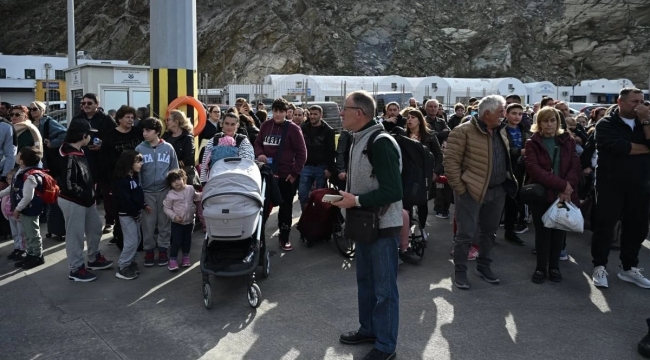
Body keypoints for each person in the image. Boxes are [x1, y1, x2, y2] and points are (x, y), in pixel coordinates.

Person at [333, 90, 402, 360]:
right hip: (364, 224)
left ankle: (386, 346)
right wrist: (347, 199)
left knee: (384, 289)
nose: (341, 112)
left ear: (359, 113)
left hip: (382, 227)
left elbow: (393, 191)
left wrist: (357, 200)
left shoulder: (381, 142)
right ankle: (369, 329)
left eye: (345, 108)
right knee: (367, 282)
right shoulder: (357, 139)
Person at [444, 95, 518, 289]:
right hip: (471, 192)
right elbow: (450, 164)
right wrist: (461, 190)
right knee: (465, 235)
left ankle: (483, 266)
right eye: (501, 111)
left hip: (497, 191)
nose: (504, 115)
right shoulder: (462, 131)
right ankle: (460, 272)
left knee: (489, 233)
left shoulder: (501, 131)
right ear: (487, 114)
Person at [591, 88, 650, 289]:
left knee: (638, 227)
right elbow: (618, 147)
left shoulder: (644, 123)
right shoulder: (606, 123)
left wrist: (645, 122)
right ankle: (599, 266)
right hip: (611, 184)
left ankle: (629, 268)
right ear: (620, 102)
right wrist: (644, 148)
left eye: (642, 101)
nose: (639, 105)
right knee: (605, 227)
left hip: (640, 185)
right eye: (635, 101)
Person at [524, 107, 581, 283]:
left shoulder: (567, 140)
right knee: (543, 232)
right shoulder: (532, 143)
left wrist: (566, 188)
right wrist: (563, 185)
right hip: (543, 194)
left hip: (564, 193)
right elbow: (535, 170)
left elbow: (575, 165)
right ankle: (541, 267)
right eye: (545, 120)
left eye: (553, 120)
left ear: (558, 122)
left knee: (559, 232)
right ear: (539, 123)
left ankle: (554, 266)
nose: (549, 124)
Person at [59, 119, 114, 282]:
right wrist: (86, 195)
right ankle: (76, 269)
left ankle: (93, 258)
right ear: (83, 136)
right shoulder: (69, 154)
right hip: (74, 201)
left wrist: (90, 196)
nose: (91, 137)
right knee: (75, 236)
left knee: (96, 227)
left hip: (85, 200)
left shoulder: (75, 151)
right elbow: (69, 184)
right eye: (89, 134)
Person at [254, 98, 306, 252]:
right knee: (262, 207)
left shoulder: (293, 129)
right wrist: (260, 153)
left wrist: (294, 173)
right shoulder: (265, 125)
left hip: (286, 176)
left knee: (285, 209)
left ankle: (284, 237)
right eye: (275, 111)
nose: (277, 114)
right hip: (267, 175)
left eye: (281, 111)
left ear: (286, 112)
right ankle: (258, 238)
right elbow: (257, 143)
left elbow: (302, 153)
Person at [136, 118, 179, 267]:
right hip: (147, 192)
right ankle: (148, 250)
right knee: (147, 223)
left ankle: (162, 249)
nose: (144, 133)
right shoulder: (140, 149)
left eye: (148, 130)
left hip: (164, 191)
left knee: (164, 222)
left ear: (157, 132)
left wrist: (174, 190)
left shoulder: (168, 148)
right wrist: (139, 191)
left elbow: (174, 169)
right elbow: (137, 172)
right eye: (143, 130)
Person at [74, 93, 118, 234]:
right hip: (84, 161)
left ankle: (110, 221)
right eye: (83, 103)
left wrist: (103, 146)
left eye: (89, 103)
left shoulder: (106, 119)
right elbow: (70, 137)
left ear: (96, 105)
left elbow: (115, 138)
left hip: (103, 161)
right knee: (86, 193)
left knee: (107, 194)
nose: (86, 106)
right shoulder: (78, 119)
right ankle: (87, 222)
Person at [101, 105, 144, 245]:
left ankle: (138, 236)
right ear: (119, 119)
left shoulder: (138, 133)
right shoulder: (110, 135)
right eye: (127, 117)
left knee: (136, 203)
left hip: (136, 176)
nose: (131, 120)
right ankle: (119, 235)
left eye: (133, 117)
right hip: (117, 177)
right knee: (119, 207)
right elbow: (104, 158)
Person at [0, 148, 45, 269]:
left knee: (33, 233)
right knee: (27, 233)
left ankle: (37, 256)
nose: (16, 155)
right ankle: (30, 254)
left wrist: (17, 209)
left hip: (30, 209)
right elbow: (11, 189)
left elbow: (27, 197)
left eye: (18, 154)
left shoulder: (29, 176)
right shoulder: (20, 171)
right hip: (24, 209)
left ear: (22, 160)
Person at [112, 150, 145, 280]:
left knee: (136, 238)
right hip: (127, 215)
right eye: (138, 161)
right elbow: (124, 201)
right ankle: (123, 266)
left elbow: (136, 196)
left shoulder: (133, 177)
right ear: (129, 163)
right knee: (131, 241)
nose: (141, 164)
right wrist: (134, 212)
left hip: (135, 214)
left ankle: (131, 261)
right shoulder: (121, 181)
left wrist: (142, 206)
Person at [502, 103, 531, 245]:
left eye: (520, 114)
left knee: (513, 202)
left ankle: (510, 231)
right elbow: (502, 150)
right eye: (514, 113)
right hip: (504, 169)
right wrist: (519, 152)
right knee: (499, 202)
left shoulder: (524, 129)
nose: (517, 116)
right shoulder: (501, 129)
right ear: (506, 114)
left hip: (520, 169)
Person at [298, 105, 336, 210]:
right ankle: (305, 218)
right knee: (302, 195)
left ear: (321, 115)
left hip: (321, 168)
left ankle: (318, 221)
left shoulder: (328, 131)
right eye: (311, 114)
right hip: (305, 166)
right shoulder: (303, 128)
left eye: (315, 114)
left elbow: (331, 151)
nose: (312, 116)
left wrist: (329, 168)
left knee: (320, 197)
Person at [163, 169, 201, 271]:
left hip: (189, 222)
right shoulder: (171, 195)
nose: (176, 182)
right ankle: (173, 260)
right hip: (177, 223)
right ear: (170, 184)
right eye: (173, 181)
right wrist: (174, 216)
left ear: (184, 178)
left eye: (178, 179)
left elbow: (196, 197)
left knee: (187, 241)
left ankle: (185, 257)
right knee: (176, 241)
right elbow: (166, 208)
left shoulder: (190, 189)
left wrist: (203, 194)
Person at [199, 113, 255, 183]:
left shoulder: (243, 141)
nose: (229, 127)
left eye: (232, 124)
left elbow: (246, 164)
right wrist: (203, 183)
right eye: (227, 123)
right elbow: (205, 164)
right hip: (215, 180)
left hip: (236, 181)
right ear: (222, 124)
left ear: (237, 125)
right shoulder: (214, 140)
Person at [28, 101, 67, 177]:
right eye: (30, 109)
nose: (32, 111)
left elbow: (65, 134)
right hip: (32, 157)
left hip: (46, 159)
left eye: (35, 109)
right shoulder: (30, 123)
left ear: (42, 110)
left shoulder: (49, 122)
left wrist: (52, 143)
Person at [3, 169, 25, 261]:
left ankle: (23, 249)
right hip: (10, 215)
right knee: (15, 233)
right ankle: (17, 247)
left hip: (18, 215)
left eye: (11, 179)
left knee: (21, 233)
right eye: (7, 179)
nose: (9, 181)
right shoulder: (8, 190)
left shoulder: (18, 190)